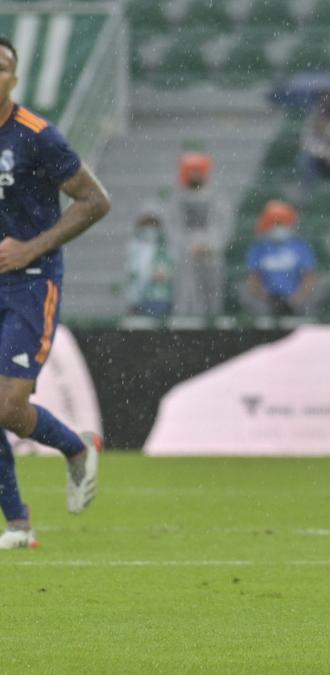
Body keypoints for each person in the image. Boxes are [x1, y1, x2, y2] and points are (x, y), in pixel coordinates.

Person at [0, 36, 109, 550]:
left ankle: (75, 449)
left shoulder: (38, 137)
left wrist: (31, 248)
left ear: (14, 79)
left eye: (2, 67)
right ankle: (18, 525)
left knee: (6, 405)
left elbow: (95, 200)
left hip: (30, 283)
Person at [169, 151, 231, 318]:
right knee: (186, 293)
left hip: (210, 253)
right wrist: (189, 247)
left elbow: (223, 224)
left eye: (198, 170)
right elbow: (174, 228)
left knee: (212, 295)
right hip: (187, 254)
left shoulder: (216, 196)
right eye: (192, 171)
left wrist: (210, 245)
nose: (195, 175)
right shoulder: (178, 199)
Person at [243, 200, 317, 317]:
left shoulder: (300, 246)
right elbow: (253, 279)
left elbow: (309, 279)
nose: (278, 228)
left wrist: (294, 300)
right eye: (275, 223)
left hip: (296, 302)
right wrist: (267, 298)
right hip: (266, 302)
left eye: (282, 223)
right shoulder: (259, 247)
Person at [125, 203, 174, 319]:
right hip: (138, 303)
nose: (150, 228)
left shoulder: (165, 249)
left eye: (153, 223)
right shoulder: (133, 249)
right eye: (147, 223)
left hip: (159, 302)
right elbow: (132, 278)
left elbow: (167, 274)